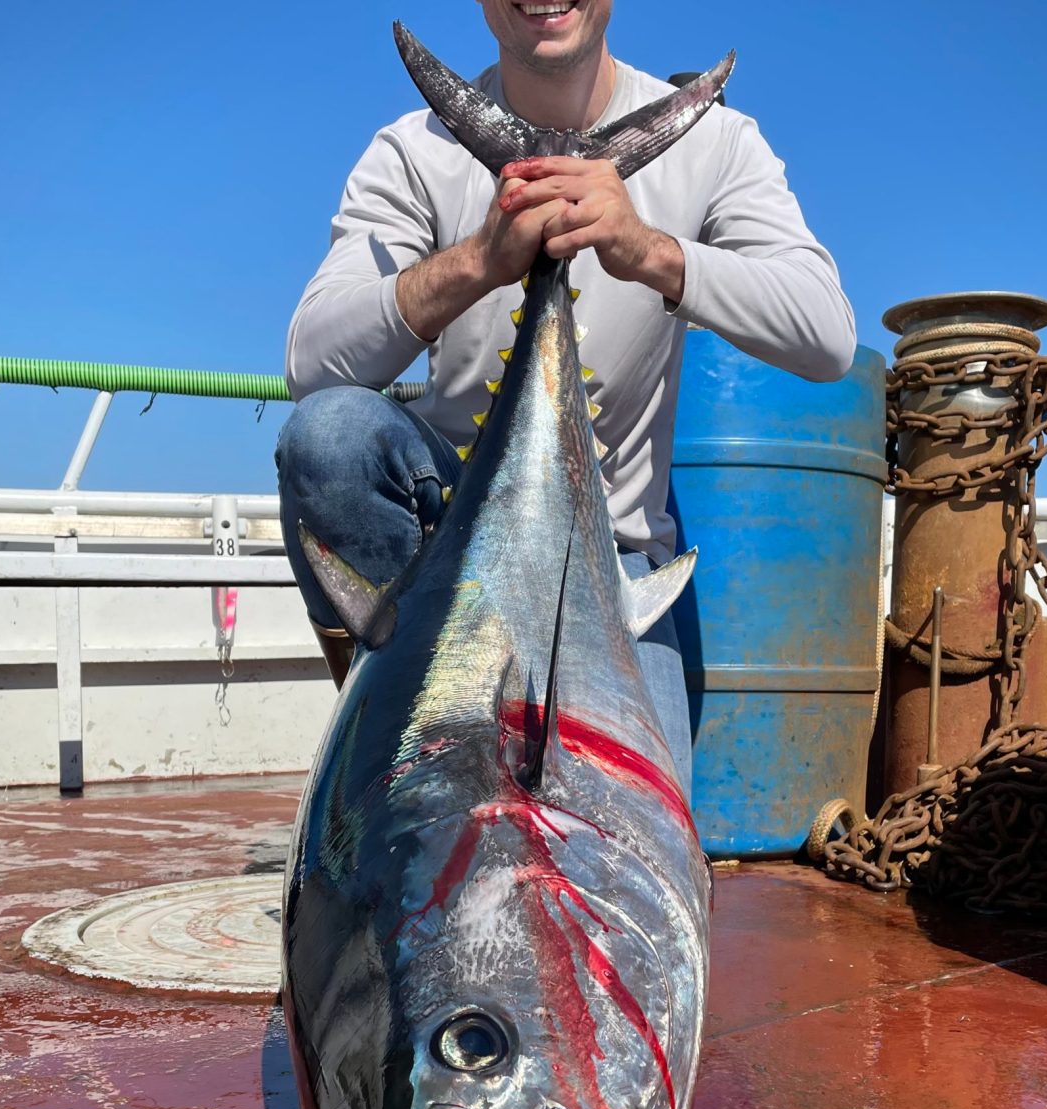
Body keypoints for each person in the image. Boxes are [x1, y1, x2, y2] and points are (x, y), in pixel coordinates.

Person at [277, 0, 856, 797]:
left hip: (609, 559)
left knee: (631, 841)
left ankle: (411, 745)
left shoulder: (717, 141)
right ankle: (392, 705)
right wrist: (480, 258)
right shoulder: (413, 152)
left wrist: (646, 249)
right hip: (451, 540)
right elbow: (311, 362)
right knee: (331, 438)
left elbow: (826, 334)